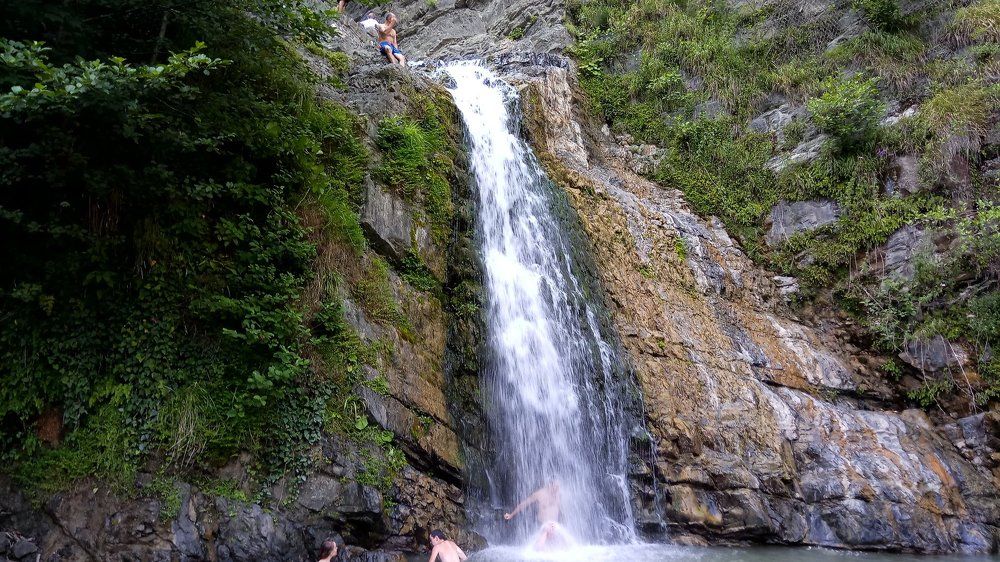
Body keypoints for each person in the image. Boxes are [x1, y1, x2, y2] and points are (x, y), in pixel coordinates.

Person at [504, 480, 567, 549]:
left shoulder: (559, 495)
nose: (557, 490)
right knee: (541, 543)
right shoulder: (539, 494)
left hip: (555, 525)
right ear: (550, 485)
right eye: (555, 487)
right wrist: (511, 515)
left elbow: (561, 511)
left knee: (567, 544)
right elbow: (524, 504)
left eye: (558, 487)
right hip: (544, 525)